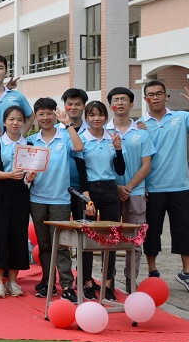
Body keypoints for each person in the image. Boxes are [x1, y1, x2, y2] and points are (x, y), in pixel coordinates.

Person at [139, 80, 189, 294]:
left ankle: (188, 273)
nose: (155, 97)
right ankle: (152, 272)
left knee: (185, 230)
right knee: (152, 232)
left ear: (166, 96)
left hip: (180, 187)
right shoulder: (140, 124)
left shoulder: (182, 117)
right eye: (151, 94)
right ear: (145, 99)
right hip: (152, 189)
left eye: (159, 93)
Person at [26, 98, 83, 301]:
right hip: (37, 198)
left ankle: (67, 284)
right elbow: (26, 170)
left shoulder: (64, 136)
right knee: (44, 244)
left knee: (61, 244)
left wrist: (68, 124)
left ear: (55, 114)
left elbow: (79, 147)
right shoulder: (31, 141)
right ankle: (47, 281)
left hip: (60, 199)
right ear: (36, 117)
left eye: (49, 113)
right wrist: (29, 177)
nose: (45, 118)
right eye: (41, 114)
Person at [76, 100, 126, 301]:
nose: (96, 118)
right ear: (86, 118)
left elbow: (120, 170)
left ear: (106, 117)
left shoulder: (112, 138)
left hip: (110, 189)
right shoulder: (82, 139)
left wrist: (119, 149)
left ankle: (107, 283)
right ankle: (87, 282)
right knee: (88, 238)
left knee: (111, 237)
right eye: (92, 115)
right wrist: (86, 197)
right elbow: (80, 172)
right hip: (90, 190)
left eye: (100, 114)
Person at [0, 105, 35, 299]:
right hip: (0, 191)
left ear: (24, 123)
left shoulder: (28, 145)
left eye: (19, 119)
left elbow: (31, 174)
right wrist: (9, 175)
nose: (15, 123)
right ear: (4, 122)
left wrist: (30, 177)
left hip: (20, 193)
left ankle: (13, 281)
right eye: (11, 119)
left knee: (18, 235)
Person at [107, 87, 155, 290]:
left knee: (134, 241)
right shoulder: (103, 131)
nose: (120, 103)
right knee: (108, 238)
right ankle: (108, 280)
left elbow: (146, 165)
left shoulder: (141, 134)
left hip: (135, 193)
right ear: (110, 105)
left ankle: (130, 280)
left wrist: (127, 187)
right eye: (116, 99)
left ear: (132, 104)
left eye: (124, 99)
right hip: (110, 193)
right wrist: (116, 187)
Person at [61, 88, 89, 218]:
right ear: (64, 106)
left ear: (84, 106)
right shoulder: (55, 131)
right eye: (69, 104)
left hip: (85, 187)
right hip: (61, 188)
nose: (73, 107)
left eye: (78, 104)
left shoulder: (93, 130)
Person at [0, 54, 31, 125]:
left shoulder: (18, 96)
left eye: (0, 68)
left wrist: (22, 132)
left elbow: (31, 117)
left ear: (6, 73)